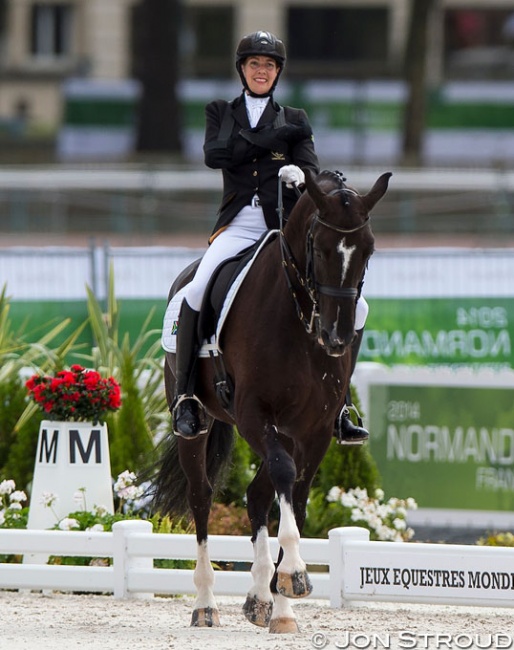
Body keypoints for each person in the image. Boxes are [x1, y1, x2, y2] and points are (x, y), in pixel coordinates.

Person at [173, 30, 369, 445]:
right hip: (238, 224)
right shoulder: (220, 111)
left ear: (277, 73)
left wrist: (300, 174)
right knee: (195, 291)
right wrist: (276, 144)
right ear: (242, 70)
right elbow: (216, 156)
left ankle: (341, 405)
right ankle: (186, 396)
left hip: (283, 225)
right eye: (254, 64)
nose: (261, 71)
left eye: (269, 65)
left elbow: (310, 169)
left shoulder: (295, 118)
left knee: (360, 306)